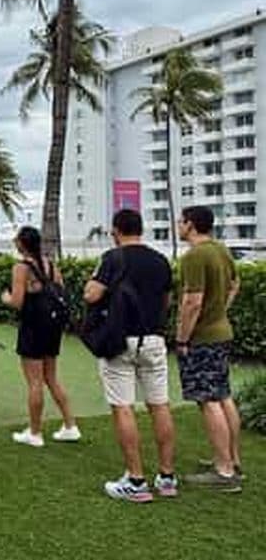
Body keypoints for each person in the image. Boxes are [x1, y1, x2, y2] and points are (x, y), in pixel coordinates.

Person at [84, 209, 177, 503]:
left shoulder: (112, 258)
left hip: (120, 340)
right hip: (154, 339)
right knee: (160, 405)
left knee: (123, 407)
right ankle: (167, 476)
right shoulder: (160, 260)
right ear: (141, 229)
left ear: (116, 230)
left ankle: (136, 480)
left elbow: (92, 295)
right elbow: (167, 300)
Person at [176, 205, 242, 493]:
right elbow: (235, 284)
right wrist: (220, 311)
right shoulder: (221, 250)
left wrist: (182, 339)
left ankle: (224, 471)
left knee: (209, 400)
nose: (179, 226)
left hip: (203, 338)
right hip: (222, 332)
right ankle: (231, 461)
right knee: (223, 395)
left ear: (190, 224)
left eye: (181, 221)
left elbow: (192, 302)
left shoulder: (195, 256)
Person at [1, 226, 80, 448]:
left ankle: (35, 433)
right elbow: (60, 292)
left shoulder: (21, 267)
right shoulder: (51, 265)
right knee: (51, 378)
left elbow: (17, 302)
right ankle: (70, 425)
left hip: (33, 327)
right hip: (52, 328)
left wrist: (6, 298)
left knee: (35, 381)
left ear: (21, 244)